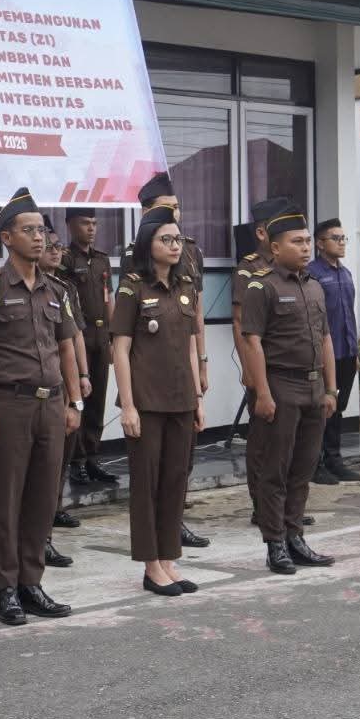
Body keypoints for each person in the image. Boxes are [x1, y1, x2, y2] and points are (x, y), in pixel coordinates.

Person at [0, 187, 82, 626]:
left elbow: (67, 346)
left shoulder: (56, 290)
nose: (39, 238)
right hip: (9, 406)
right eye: (29, 231)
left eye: (42, 230)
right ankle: (6, 589)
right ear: (7, 238)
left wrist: (76, 402)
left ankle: (32, 583)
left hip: (52, 405)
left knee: (42, 499)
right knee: (8, 501)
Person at [239, 204, 338, 575]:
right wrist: (262, 393)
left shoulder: (314, 286)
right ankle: (275, 542)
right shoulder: (261, 286)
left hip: (314, 388)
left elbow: (326, 338)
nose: (306, 247)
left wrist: (332, 389)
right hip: (281, 386)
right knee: (274, 470)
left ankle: (295, 536)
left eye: (308, 240)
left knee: (302, 468)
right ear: (276, 248)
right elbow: (252, 342)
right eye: (297, 241)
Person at [112, 205, 204, 595]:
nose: (175, 245)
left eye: (178, 238)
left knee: (174, 483)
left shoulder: (186, 287)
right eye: (166, 239)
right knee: (147, 485)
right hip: (147, 403)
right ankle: (151, 566)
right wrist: (128, 406)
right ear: (148, 245)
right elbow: (120, 349)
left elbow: (187, 345)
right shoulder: (133, 287)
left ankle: (169, 559)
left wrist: (197, 397)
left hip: (181, 399)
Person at [138, 172, 215, 548]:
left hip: (184, 365)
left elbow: (195, 313)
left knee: (182, 455)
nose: (175, 214)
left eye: (177, 207)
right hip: (151, 376)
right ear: (145, 211)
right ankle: (157, 532)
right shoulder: (136, 256)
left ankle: (175, 518)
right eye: (166, 208)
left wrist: (202, 360)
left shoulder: (190, 251)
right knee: (154, 462)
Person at [41, 223, 88, 564]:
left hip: (58, 388)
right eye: (48, 245)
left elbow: (73, 339)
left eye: (58, 246)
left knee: (54, 463)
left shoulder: (62, 289)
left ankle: (46, 528)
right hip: (21, 395)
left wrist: (80, 382)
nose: (55, 251)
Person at [62, 207, 117, 488]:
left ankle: (93, 457)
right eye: (85, 223)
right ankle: (76, 461)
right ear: (71, 225)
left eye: (94, 223)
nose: (91, 228)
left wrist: (113, 333)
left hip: (99, 336)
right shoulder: (65, 259)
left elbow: (109, 299)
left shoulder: (102, 260)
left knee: (97, 402)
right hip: (78, 337)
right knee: (78, 400)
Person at [307, 217, 360, 485]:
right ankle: (314, 462)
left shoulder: (346, 273)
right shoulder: (313, 273)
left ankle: (334, 458)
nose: (342, 243)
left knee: (338, 408)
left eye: (344, 238)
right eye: (336, 238)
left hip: (347, 350)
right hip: (324, 353)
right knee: (321, 409)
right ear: (320, 243)